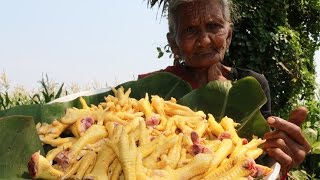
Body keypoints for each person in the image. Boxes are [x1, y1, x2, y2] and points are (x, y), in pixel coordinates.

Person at [139, 0, 311, 176]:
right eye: (190, 30)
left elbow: (260, 157)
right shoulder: (150, 91)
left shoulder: (251, 85)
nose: (204, 40)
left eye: (213, 26)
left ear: (228, 36)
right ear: (174, 44)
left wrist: (279, 157)